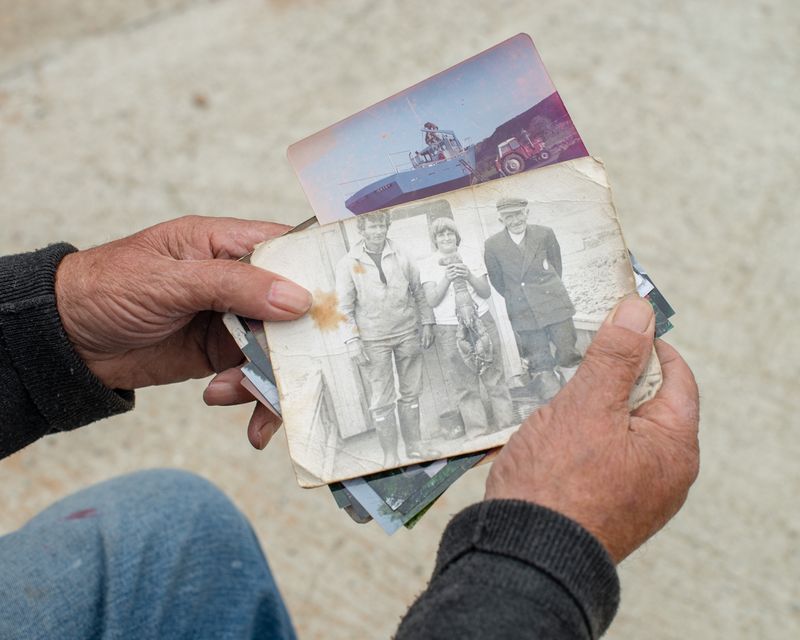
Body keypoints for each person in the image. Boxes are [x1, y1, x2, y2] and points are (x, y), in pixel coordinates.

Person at [0, 216, 700, 639]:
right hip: (384, 341)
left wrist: (46, 327)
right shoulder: (366, 267)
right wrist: (542, 550)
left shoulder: (472, 259)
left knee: (179, 526)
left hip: (430, 329)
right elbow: (360, 304)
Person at [335, 209, 437, 465]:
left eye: (382, 226)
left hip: (406, 332)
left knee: (411, 392)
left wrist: (427, 321)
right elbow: (344, 308)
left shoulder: (402, 254)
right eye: (372, 227)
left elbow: (418, 291)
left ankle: (414, 447)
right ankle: (390, 455)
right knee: (381, 399)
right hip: (373, 339)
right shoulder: (349, 262)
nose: (378, 231)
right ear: (362, 230)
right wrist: (352, 341)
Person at [417, 216, 515, 437]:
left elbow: (485, 291)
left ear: (456, 235)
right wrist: (446, 278)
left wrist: (468, 274)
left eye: (450, 232)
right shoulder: (427, 264)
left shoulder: (470, 254)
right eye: (441, 234)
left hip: (480, 318)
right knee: (463, 383)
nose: (446, 237)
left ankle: (507, 425)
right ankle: (477, 432)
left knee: (494, 374)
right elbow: (432, 300)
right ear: (435, 239)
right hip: (450, 327)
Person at [484, 196, 582, 401]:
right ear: (501, 220)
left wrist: (546, 291)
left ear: (526, 213)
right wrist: (519, 297)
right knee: (539, 362)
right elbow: (498, 282)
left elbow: (556, 267)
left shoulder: (544, 233)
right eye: (509, 217)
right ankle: (557, 407)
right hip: (523, 311)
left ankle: (581, 400)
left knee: (568, 353)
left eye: (519, 214)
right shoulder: (492, 245)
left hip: (554, 304)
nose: (515, 220)